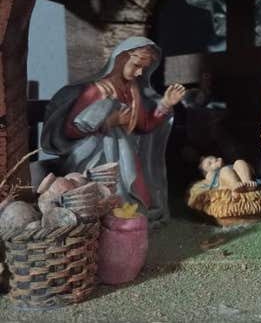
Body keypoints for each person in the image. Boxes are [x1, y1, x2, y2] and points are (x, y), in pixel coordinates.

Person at [41, 37, 185, 223]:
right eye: (136, 65)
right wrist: (109, 122)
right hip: (96, 160)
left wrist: (165, 104)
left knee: (139, 204)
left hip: (127, 158)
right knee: (108, 201)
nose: (140, 72)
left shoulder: (132, 91)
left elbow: (145, 125)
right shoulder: (96, 91)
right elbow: (71, 130)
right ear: (121, 59)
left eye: (144, 68)